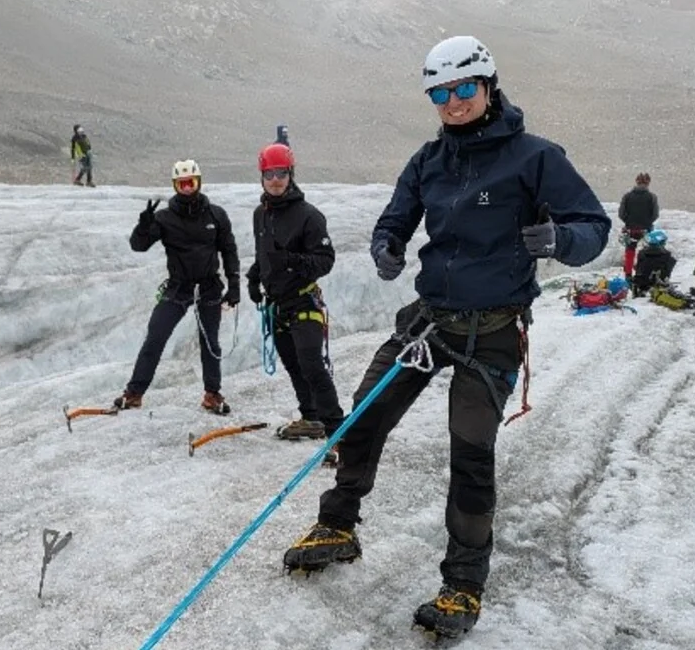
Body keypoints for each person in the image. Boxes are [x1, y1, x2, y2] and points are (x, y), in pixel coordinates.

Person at [280, 36, 610, 638]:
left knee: (471, 452)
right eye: (440, 93)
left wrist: (562, 242)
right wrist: (387, 245)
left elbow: (593, 225)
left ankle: (462, 584)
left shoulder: (535, 157)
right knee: (365, 414)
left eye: (463, 89)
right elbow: (395, 218)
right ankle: (338, 525)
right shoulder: (428, 161)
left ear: (488, 86)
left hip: (494, 330)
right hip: (431, 319)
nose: (453, 103)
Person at [113, 160, 240, 415]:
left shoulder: (216, 215)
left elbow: (229, 249)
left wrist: (234, 283)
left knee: (210, 342)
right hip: (177, 288)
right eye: (182, 183)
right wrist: (143, 226)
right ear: (175, 185)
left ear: (199, 182)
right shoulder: (164, 217)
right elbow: (138, 246)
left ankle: (212, 394)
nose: (187, 188)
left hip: (208, 287)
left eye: (191, 182)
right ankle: (135, 393)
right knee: (155, 338)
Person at [245, 143, 344, 461]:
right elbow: (264, 255)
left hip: (303, 302)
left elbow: (325, 260)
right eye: (270, 174)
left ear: (291, 174)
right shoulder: (260, 215)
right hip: (277, 305)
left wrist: (291, 262)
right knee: (294, 365)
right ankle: (312, 418)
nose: (276, 180)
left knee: (313, 365)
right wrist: (254, 276)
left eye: (281, 173)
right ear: (262, 176)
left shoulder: (309, 216)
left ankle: (339, 435)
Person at [618, 172, 659, 280]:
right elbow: (655, 214)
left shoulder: (627, 196)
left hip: (630, 229)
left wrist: (628, 222)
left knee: (630, 252)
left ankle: (628, 275)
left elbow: (621, 214)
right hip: (646, 229)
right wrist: (647, 223)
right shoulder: (652, 197)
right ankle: (643, 271)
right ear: (648, 183)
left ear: (636, 181)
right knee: (647, 252)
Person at [630, 229, 675, 296]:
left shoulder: (641, 253)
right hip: (658, 281)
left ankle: (641, 288)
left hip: (641, 281)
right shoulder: (667, 255)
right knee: (671, 261)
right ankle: (663, 281)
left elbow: (638, 267)